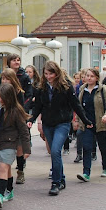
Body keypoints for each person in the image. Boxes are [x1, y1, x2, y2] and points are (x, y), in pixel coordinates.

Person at [27, 61, 92, 196]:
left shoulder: (66, 87)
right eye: (46, 74)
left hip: (62, 123)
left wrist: (85, 120)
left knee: (56, 150)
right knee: (54, 153)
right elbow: (38, 106)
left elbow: (76, 105)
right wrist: (31, 120)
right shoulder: (41, 88)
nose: (48, 77)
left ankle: (56, 183)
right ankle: (61, 179)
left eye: (51, 74)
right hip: (48, 124)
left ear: (57, 73)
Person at [75, 68, 106, 180]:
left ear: (97, 78)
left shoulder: (103, 89)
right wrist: (77, 120)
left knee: (102, 146)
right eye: (87, 76)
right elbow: (79, 107)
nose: (89, 78)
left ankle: (105, 168)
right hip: (87, 124)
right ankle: (86, 173)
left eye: (92, 76)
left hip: (100, 123)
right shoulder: (82, 89)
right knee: (87, 147)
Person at [0, 68, 27, 184]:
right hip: (4, 126)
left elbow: (21, 109)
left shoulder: (18, 92)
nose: (4, 81)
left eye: (7, 79)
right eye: (3, 78)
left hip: (16, 123)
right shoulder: (0, 91)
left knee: (19, 149)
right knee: (1, 149)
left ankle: (20, 171)